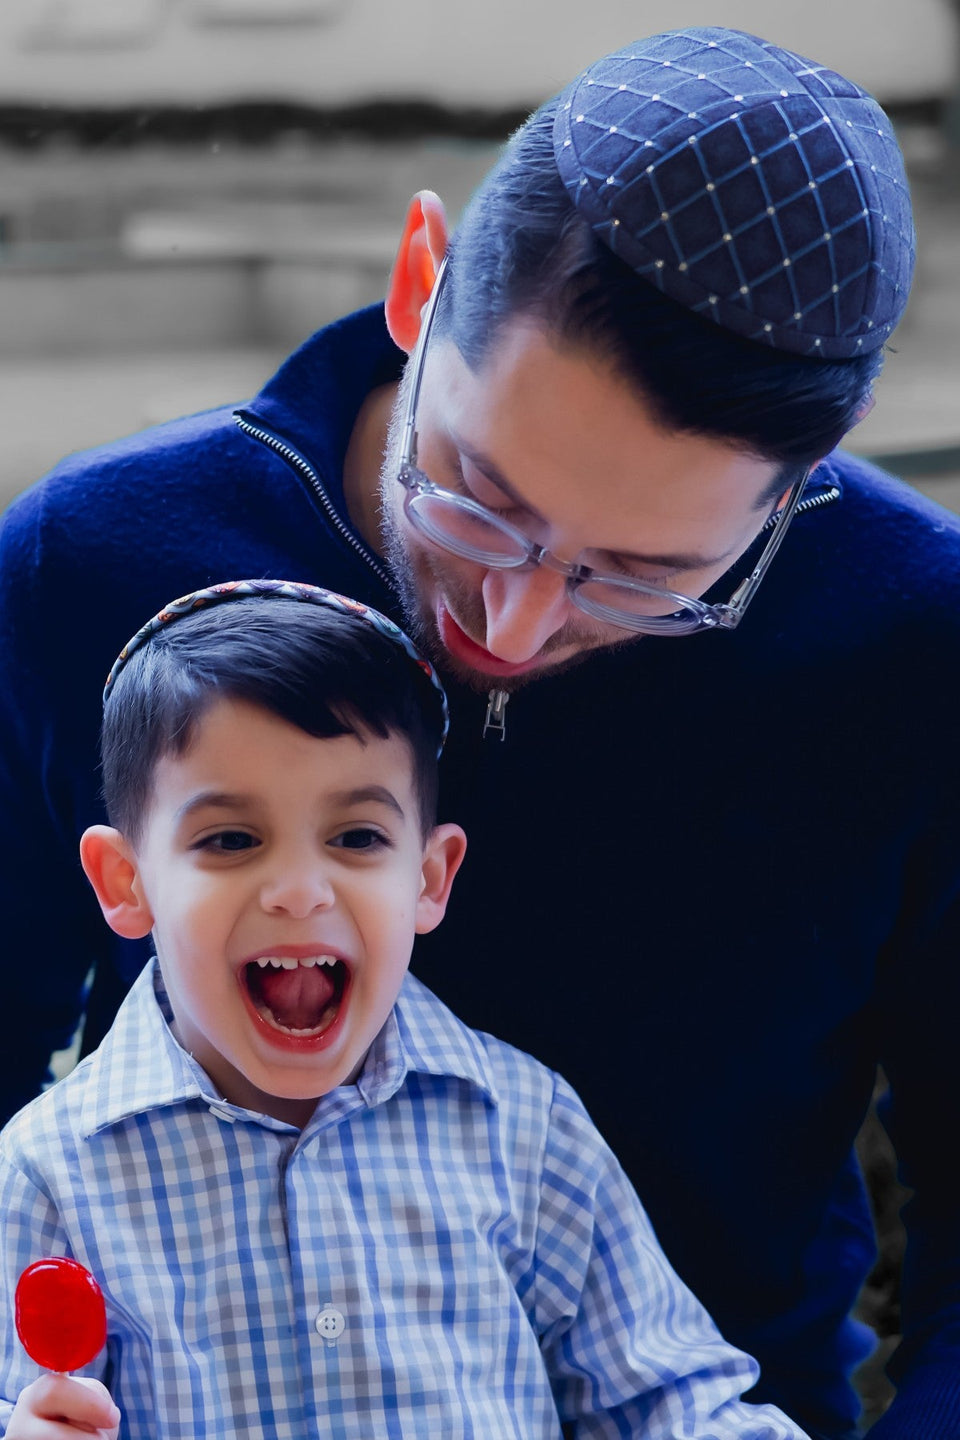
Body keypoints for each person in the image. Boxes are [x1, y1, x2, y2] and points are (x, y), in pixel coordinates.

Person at [0, 24, 957, 1439]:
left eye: (646, 576)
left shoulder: (916, 639)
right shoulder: (86, 561)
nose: (507, 628)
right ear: (418, 280)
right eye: (474, 496)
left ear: (814, 468)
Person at [0, 578, 813, 1439]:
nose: (301, 891)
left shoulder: (525, 1128)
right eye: (230, 840)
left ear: (429, 879)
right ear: (125, 884)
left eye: (356, 838)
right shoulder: (48, 1172)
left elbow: (669, 1404)